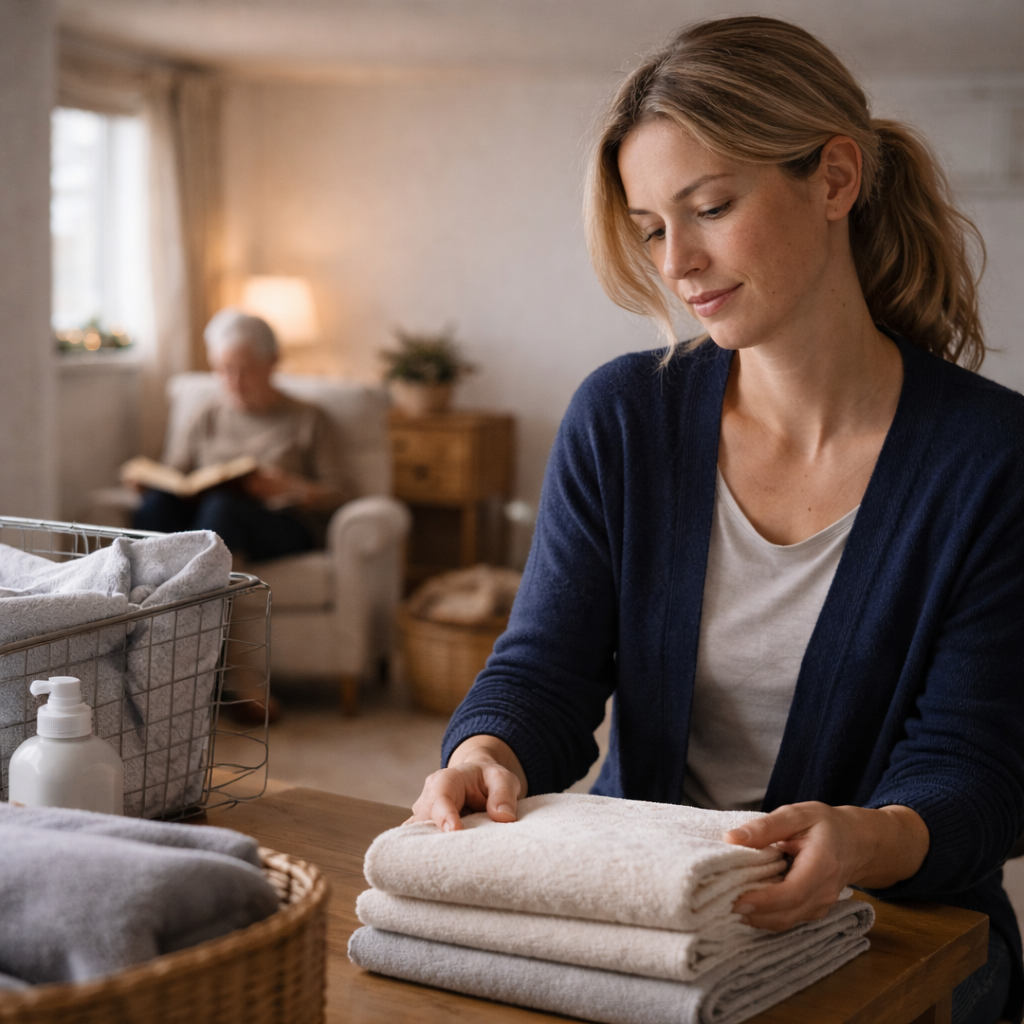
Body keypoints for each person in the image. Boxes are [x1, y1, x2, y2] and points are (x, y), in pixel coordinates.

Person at [409, 17, 1024, 1024]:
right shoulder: (623, 417)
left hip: (891, 925)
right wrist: (488, 753)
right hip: (643, 909)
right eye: (652, 227)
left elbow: (978, 770)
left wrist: (862, 838)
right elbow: (545, 668)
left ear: (834, 180)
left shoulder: (992, 461)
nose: (678, 261)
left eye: (711, 207)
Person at [134, 308, 351, 562]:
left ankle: (196, 593)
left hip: (280, 523)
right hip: (207, 519)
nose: (234, 381)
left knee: (222, 506)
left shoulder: (309, 418)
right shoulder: (206, 416)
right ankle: (148, 595)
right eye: (225, 369)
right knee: (159, 503)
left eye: (245, 370)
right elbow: (175, 472)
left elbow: (341, 494)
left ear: (272, 362)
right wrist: (151, 484)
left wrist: (291, 487)